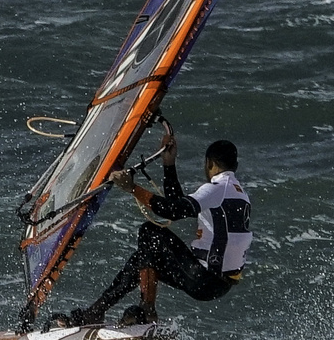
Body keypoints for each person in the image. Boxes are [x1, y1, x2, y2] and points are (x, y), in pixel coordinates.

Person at [50, 132, 250, 327]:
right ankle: (97, 311)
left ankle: (146, 310)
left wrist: (132, 188)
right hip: (219, 285)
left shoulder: (215, 189)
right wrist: (169, 165)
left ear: (209, 164)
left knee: (149, 232)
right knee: (143, 259)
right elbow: (178, 205)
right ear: (236, 167)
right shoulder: (238, 194)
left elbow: (172, 211)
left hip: (204, 279)